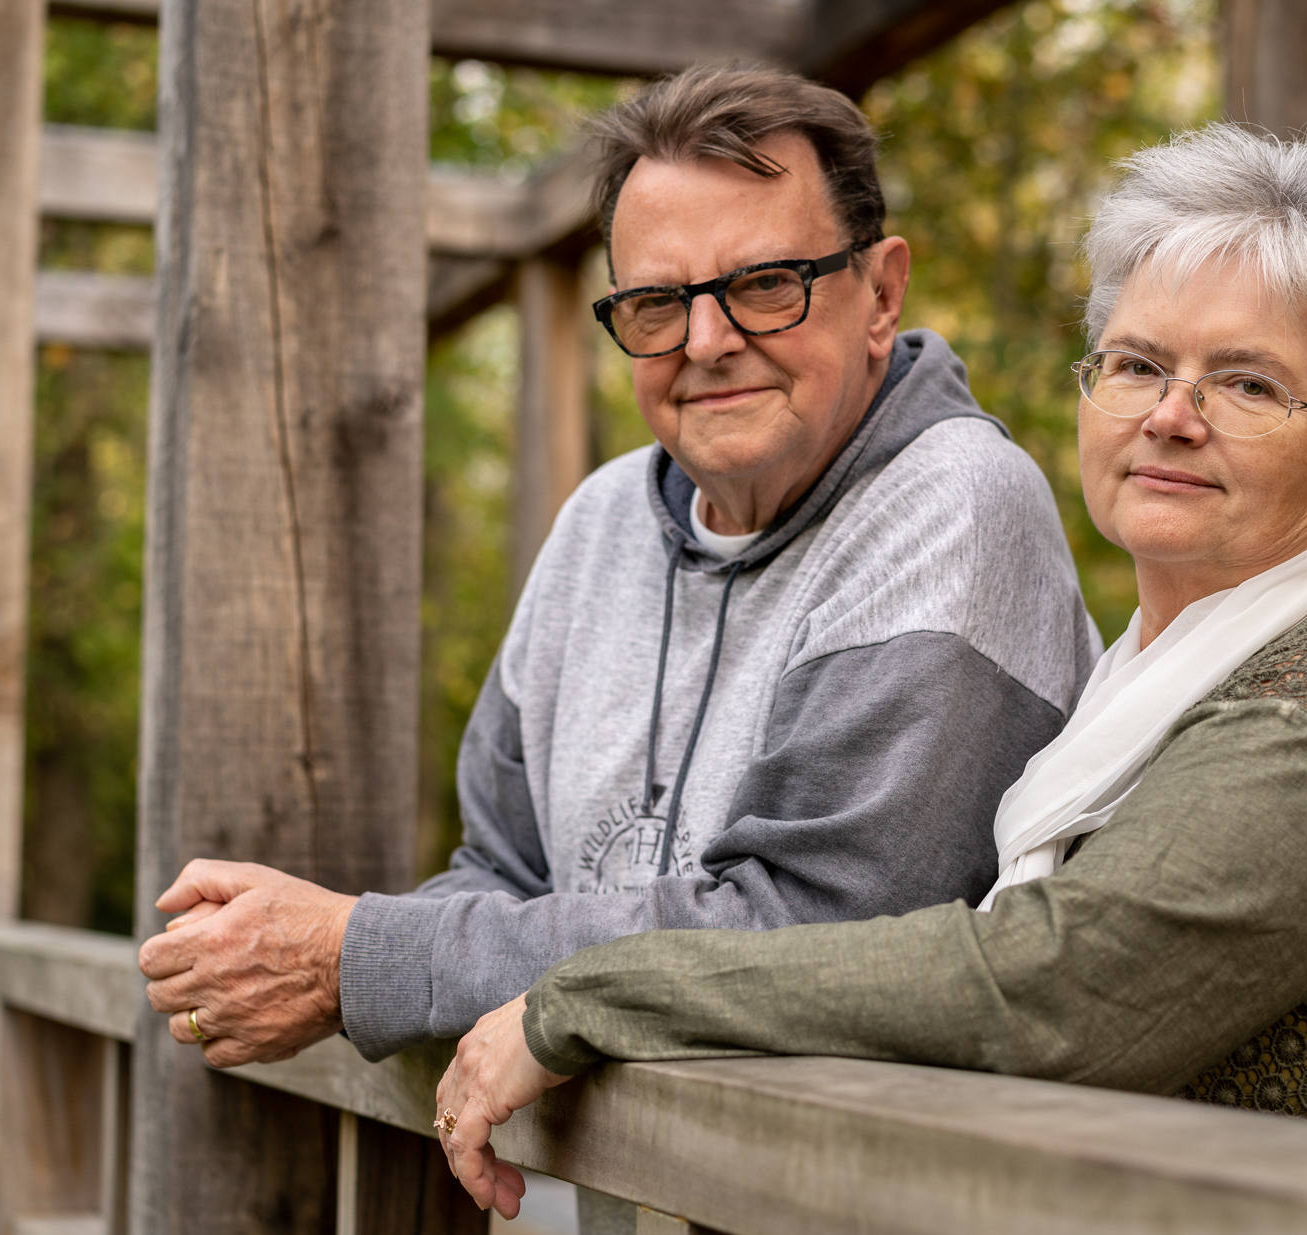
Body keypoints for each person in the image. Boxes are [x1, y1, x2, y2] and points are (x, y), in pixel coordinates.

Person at [432, 124, 1307, 1219]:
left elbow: (1050, 990)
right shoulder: (1144, 684)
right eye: (1137, 364)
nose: (1167, 417)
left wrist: (578, 999)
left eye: (1246, 386)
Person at [136, 64, 1096, 1072]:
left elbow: (813, 929)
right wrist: (287, 961)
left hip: (882, 1212)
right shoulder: (596, 523)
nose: (708, 340)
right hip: (641, 1218)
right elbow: (501, 870)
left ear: (880, 291)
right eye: (654, 303)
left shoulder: (957, 504)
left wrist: (355, 956)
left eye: (765, 285)